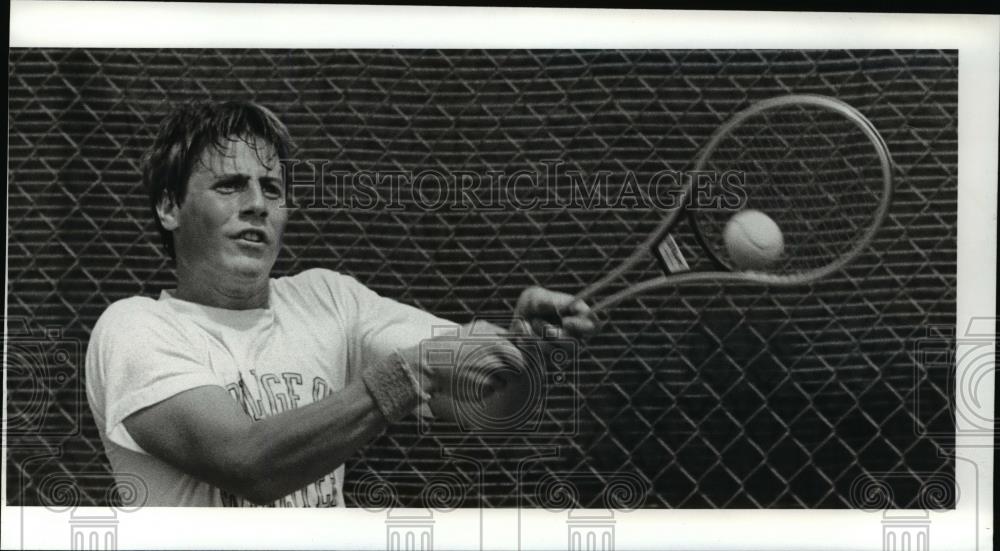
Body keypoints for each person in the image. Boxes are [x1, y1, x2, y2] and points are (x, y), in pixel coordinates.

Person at [85, 100, 599, 507]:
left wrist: (521, 353)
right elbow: (249, 464)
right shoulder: (134, 328)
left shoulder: (328, 300)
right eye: (229, 185)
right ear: (170, 207)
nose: (257, 204)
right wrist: (405, 377)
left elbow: (486, 405)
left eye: (271, 187)